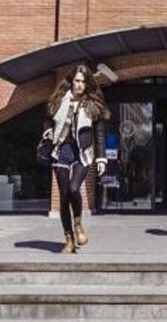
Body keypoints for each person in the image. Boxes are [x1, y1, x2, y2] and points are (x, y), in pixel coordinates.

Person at [43, 64, 109, 254]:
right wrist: (47, 131)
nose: (80, 85)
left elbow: (99, 132)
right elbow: (48, 118)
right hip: (61, 149)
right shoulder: (59, 100)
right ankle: (69, 239)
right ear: (71, 81)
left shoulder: (92, 104)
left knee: (73, 188)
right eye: (77, 81)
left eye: (83, 82)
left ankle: (78, 222)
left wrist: (102, 158)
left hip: (83, 151)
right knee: (64, 197)